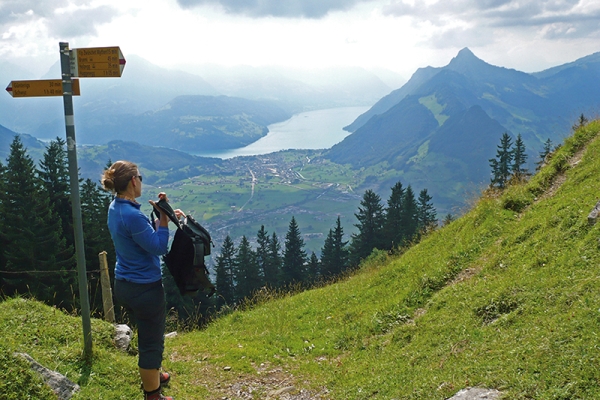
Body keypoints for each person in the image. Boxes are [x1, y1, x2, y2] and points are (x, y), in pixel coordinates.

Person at [102, 160, 182, 400]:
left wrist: (160, 218)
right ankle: (153, 394)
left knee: (149, 333)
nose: (141, 180)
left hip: (124, 282)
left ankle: (153, 373)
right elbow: (158, 247)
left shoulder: (116, 207)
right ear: (133, 181)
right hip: (144, 288)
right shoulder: (132, 215)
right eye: (140, 177)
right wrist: (165, 222)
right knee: (151, 340)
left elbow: (141, 239)